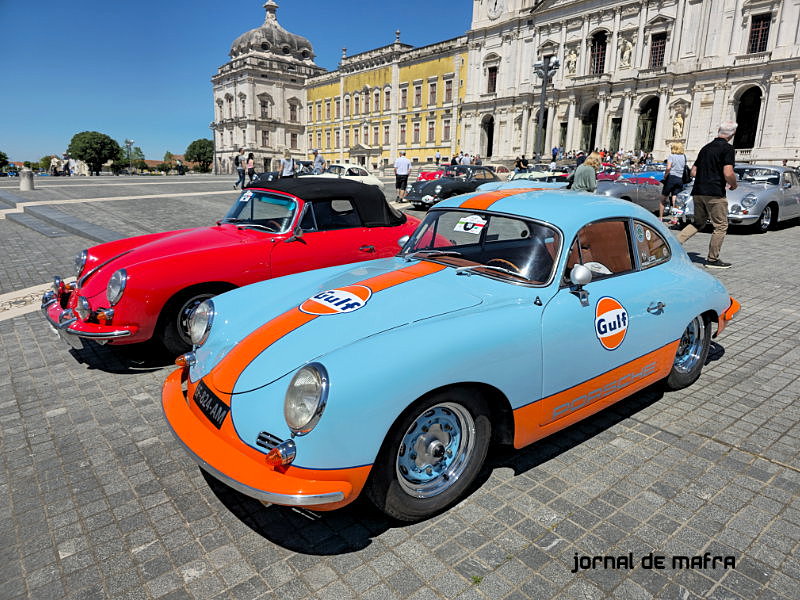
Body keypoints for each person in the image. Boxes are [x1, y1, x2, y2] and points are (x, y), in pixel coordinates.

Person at [676, 121, 738, 269]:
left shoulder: (705, 148)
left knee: (698, 222)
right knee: (721, 226)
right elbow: (728, 172)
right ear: (733, 134)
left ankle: (673, 245)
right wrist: (733, 184)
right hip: (715, 192)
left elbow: (693, 172)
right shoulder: (728, 149)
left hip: (698, 191)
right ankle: (712, 259)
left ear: (718, 130)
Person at [660, 142, 688, 223]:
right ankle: (675, 218)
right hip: (680, 179)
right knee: (675, 199)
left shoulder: (671, 156)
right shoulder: (684, 157)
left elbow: (668, 168)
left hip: (671, 178)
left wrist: (665, 175)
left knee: (663, 198)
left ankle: (661, 217)